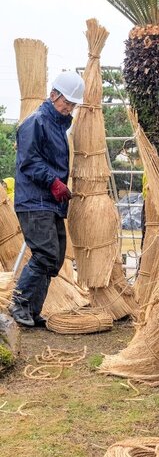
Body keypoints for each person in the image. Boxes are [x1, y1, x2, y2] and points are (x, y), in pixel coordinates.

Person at [9, 71, 85, 328]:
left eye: (73, 105)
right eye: (67, 103)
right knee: (44, 253)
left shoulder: (57, 126)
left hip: (50, 202)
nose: (69, 109)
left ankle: (31, 310)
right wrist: (53, 182)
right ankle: (19, 304)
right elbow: (28, 161)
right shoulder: (36, 122)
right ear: (53, 95)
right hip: (34, 201)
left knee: (54, 257)